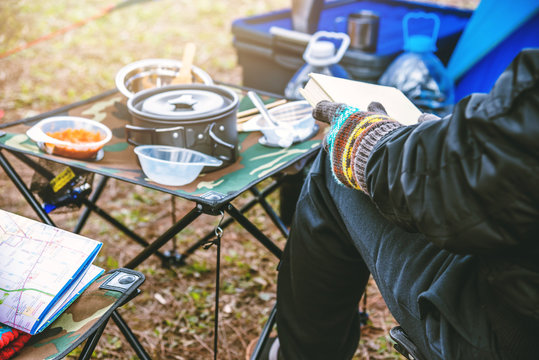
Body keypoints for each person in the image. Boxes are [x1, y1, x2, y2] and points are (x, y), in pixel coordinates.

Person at [258, 48, 539, 360]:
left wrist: (371, 144)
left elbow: (472, 181)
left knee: (335, 165)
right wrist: (446, 142)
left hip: (506, 332)